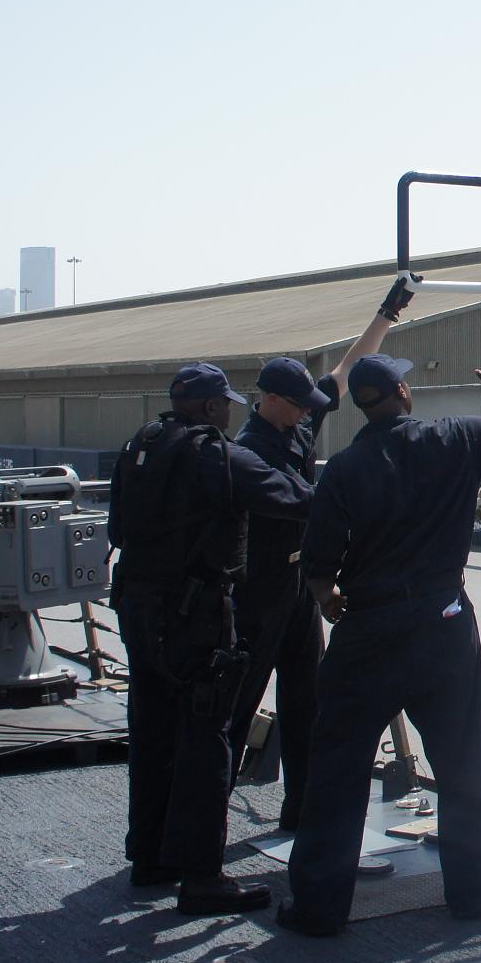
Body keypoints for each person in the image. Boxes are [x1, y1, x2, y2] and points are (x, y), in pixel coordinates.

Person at [277, 353, 481, 937]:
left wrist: (330, 601)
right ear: (403, 392)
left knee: (338, 772)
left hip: (367, 632)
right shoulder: (456, 437)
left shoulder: (345, 468)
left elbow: (319, 565)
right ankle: (473, 898)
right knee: (465, 765)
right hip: (442, 624)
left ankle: (319, 909)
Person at [108, 361, 313, 916]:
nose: (229, 411)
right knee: (207, 738)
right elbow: (293, 500)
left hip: (137, 607)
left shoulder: (141, 445)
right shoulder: (215, 454)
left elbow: (116, 529)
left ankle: (149, 856)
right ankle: (202, 875)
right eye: (222, 403)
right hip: (192, 614)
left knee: (151, 731)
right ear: (207, 407)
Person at [226, 281, 409, 830]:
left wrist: (385, 315)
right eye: (298, 404)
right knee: (236, 711)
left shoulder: (298, 423)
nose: (309, 411)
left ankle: (301, 814)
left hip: (298, 592)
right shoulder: (247, 451)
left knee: (307, 705)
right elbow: (305, 504)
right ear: (271, 400)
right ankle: (203, 834)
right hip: (256, 592)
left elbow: (350, 367)